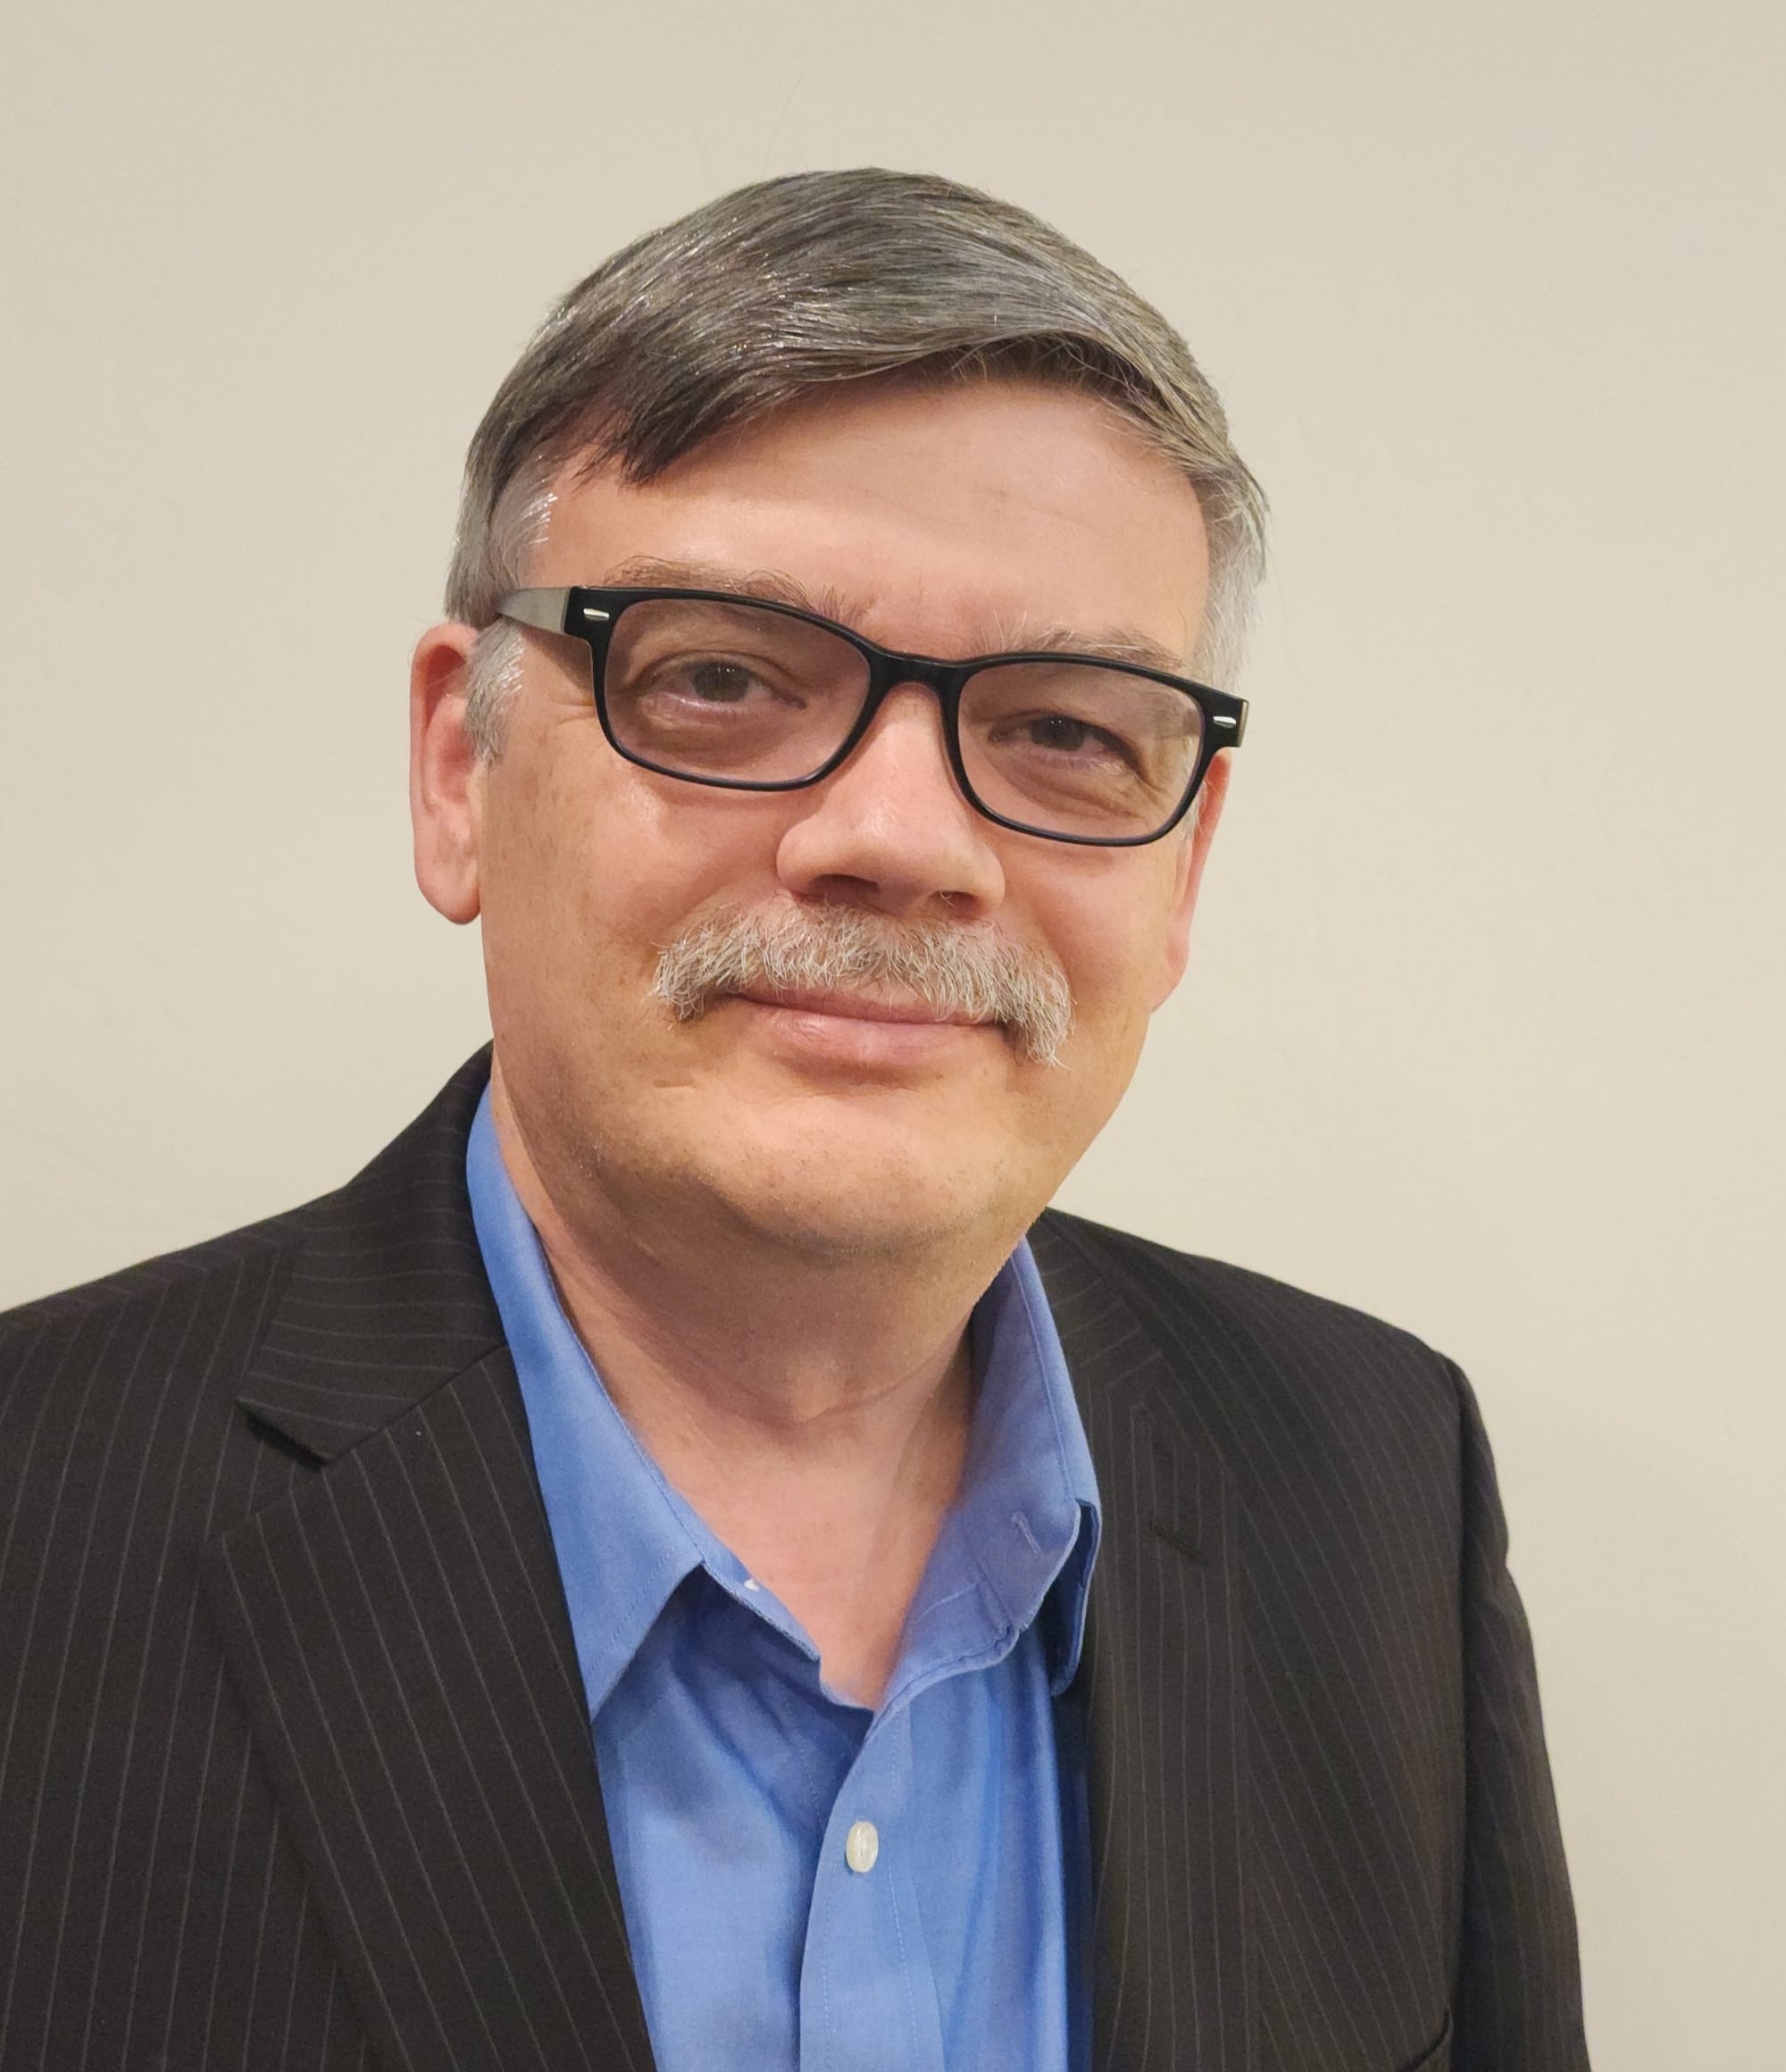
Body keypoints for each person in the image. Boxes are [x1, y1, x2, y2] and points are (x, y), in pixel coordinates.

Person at [0, 169, 1588, 2072]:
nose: (901, 839)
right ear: (457, 770)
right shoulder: (36, 1521)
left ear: (1182, 868)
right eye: (726, 679)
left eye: (1068, 729)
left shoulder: (1371, 1471)